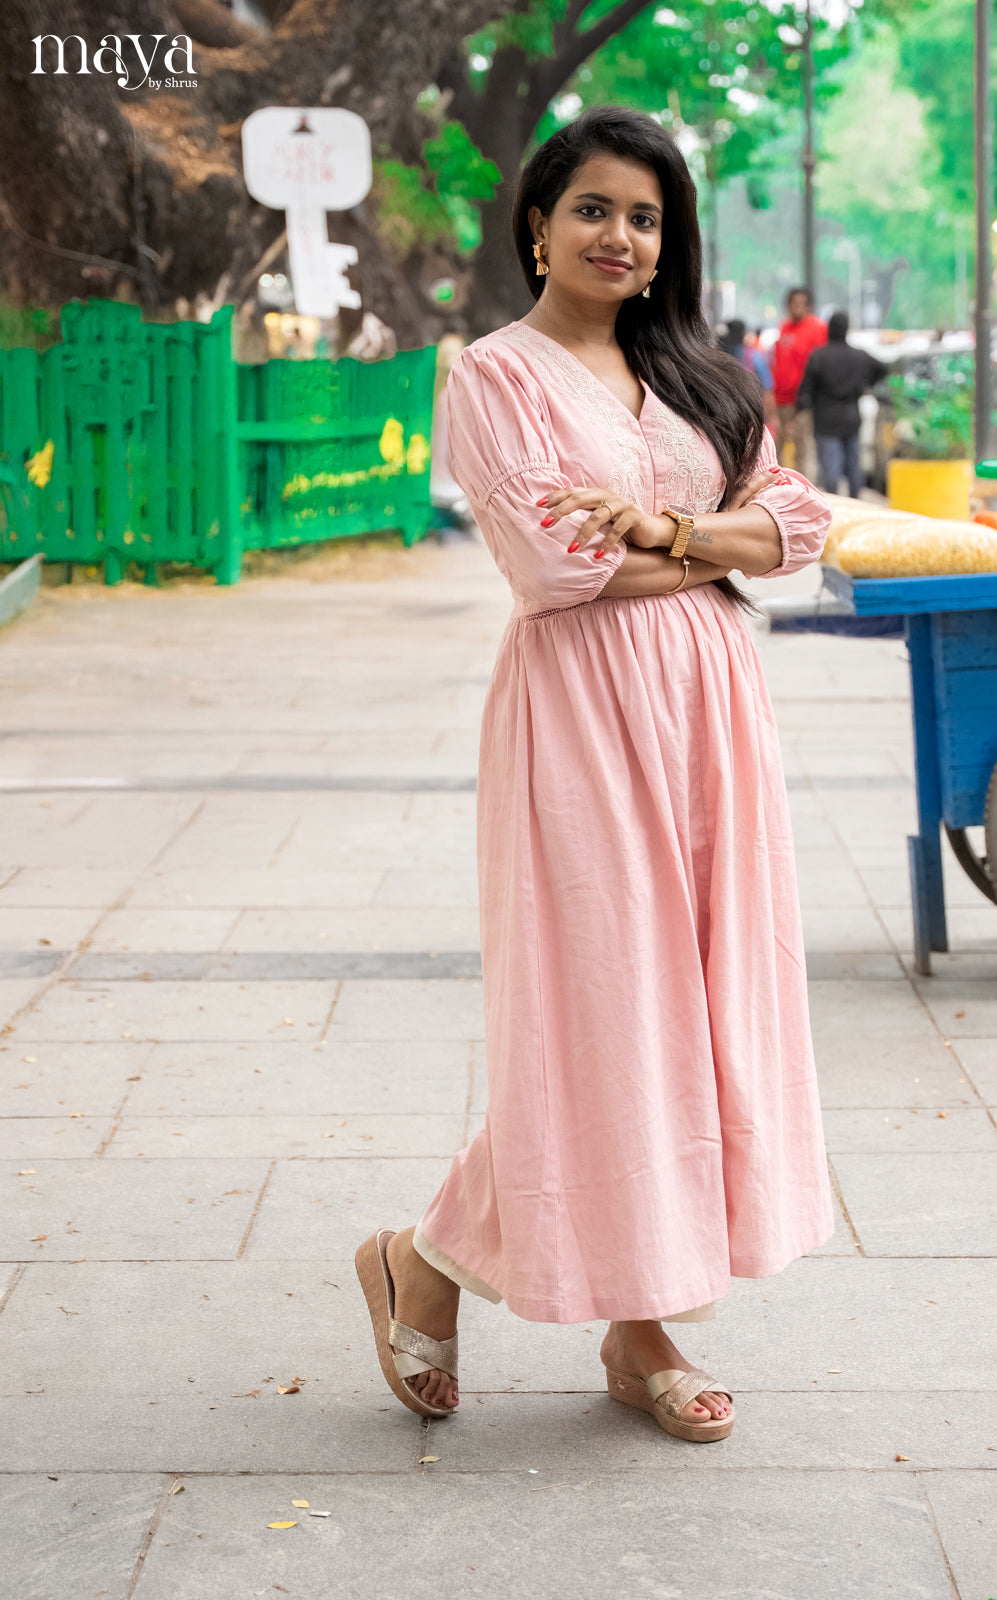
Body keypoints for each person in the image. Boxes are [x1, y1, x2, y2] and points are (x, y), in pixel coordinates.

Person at [355, 105, 834, 1446]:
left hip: (708, 717)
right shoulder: (493, 376)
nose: (620, 235)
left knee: (692, 1012)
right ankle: (431, 1261)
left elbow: (794, 519)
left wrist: (675, 526)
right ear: (536, 224)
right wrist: (712, 551)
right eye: (594, 210)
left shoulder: (691, 371)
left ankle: (634, 1330)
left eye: (644, 217)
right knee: (604, 1023)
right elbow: (551, 569)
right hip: (579, 719)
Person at [798, 310, 887, 499]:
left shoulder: (819, 357)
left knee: (831, 469)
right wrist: (866, 384)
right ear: (846, 329)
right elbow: (883, 368)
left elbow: (805, 389)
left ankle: (835, 509)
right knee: (854, 466)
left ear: (829, 329)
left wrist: (802, 408)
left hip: (825, 419)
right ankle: (856, 505)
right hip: (852, 416)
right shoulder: (859, 356)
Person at [771, 287, 826, 476]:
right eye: (793, 304)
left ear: (808, 306)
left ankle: (807, 493)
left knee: (803, 448)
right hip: (781, 400)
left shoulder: (817, 328)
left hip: (802, 402)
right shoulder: (784, 327)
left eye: (801, 304)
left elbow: (820, 366)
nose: (797, 308)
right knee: (777, 450)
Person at [718, 317, 778, 434]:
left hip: (724, 415)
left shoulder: (717, 355)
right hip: (750, 412)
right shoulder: (752, 355)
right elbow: (767, 386)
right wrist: (772, 414)